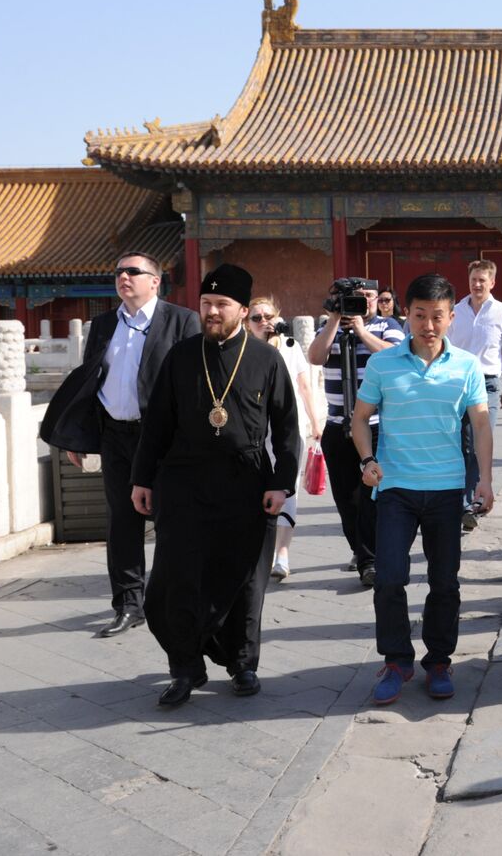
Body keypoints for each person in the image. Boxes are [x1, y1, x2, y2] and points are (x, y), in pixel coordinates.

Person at [131, 264, 300, 706]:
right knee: (174, 580)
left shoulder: (266, 359)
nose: (211, 312)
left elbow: (286, 429)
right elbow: (156, 426)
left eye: (221, 305)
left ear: (243, 310)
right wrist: (141, 479)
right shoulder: (181, 356)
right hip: (184, 481)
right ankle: (185, 668)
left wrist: (283, 484)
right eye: (205, 304)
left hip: (246, 482)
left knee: (245, 580)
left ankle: (243, 664)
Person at [39, 251, 200, 638]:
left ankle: (175, 599)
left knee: (171, 520)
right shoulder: (103, 325)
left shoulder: (182, 321)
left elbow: (195, 383)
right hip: (115, 435)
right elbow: (90, 382)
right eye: (118, 272)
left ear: (155, 281)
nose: (124, 277)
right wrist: (80, 436)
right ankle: (129, 604)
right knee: (122, 523)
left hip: (162, 438)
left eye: (133, 271)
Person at [352, 274, 494, 706]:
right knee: (389, 577)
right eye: (419, 315)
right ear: (406, 315)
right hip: (395, 488)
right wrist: (367, 460)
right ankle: (397, 660)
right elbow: (359, 419)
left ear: (452, 317)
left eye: (437, 316)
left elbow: (481, 424)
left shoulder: (467, 365)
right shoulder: (383, 364)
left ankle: (438, 660)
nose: (428, 325)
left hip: (447, 489)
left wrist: (485, 480)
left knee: (444, 581)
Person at [308, 279, 404, 585]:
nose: (362, 302)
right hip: (337, 425)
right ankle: (361, 551)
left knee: (371, 496)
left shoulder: (386, 325)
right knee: (345, 499)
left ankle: (370, 560)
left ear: (377, 299)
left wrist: (362, 331)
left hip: (375, 427)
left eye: (368, 297)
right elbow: (315, 357)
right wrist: (335, 319)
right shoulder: (329, 325)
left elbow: (396, 353)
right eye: (355, 297)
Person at [247, 297, 325, 580]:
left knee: (287, 487)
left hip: (289, 428)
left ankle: (282, 553)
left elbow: (305, 386)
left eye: (267, 316)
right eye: (256, 318)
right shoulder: (243, 349)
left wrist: (315, 421)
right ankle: (261, 551)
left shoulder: (290, 348)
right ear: (247, 322)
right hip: (254, 431)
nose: (263, 322)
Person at [449, 260, 502, 527]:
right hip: (457, 384)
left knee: (481, 442)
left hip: (488, 383)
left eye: (482, 280)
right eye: (473, 279)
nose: (477, 284)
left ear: (492, 282)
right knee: (460, 444)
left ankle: (471, 501)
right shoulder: (455, 312)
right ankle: (462, 500)